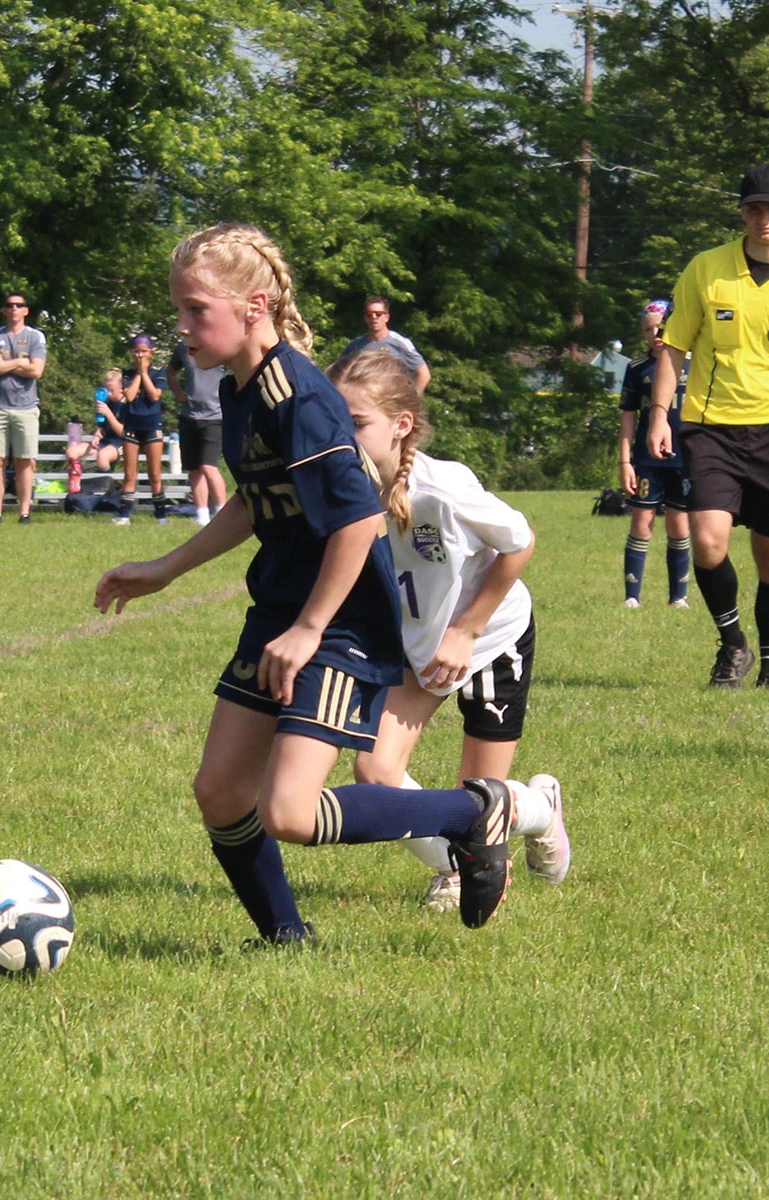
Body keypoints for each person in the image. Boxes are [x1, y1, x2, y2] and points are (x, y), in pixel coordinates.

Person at [93, 222, 522, 940]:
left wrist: (310, 628)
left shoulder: (302, 395)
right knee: (221, 791)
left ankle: (474, 814)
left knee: (290, 811)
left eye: (197, 309)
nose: (183, 326)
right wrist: (165, 569)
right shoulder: (239, 387)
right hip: (285, 609)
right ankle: (286, 939)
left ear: (254, 306)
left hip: (341, 619)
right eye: (179, 310)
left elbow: (356, 524)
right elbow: (255, 500)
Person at [328, 351, 569, 912]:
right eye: (339, 425)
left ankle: (539, 810)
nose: (347, 438)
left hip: (491, 641)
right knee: (375, 769)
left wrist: (466, 630)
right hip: (419, 649)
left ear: (401, 425)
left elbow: (520, 541)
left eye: (359, 424)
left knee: (480, 798)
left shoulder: (443, 488)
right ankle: (455, 867)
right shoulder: (348, 490)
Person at [645, 164, 769, 689]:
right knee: (708, 542)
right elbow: (675, 348)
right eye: (754, 208)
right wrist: (659, 414)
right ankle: (733, 645)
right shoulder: (706, 270)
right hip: (711, 428)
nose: (764, 218)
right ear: (742, 212)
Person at [618, 299, 691, 609]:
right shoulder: (636, 369)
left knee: (679, 524)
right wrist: (625, 462)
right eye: (648, 329)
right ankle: (632, 597)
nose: (655, 333)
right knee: (642, 521)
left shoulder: (695, 361)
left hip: (685, 458)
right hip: (648, 459)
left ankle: (679, 597)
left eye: (660, 327)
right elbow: (628, 417)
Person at [0, 292, 47, 524]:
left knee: (24, 460)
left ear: (26, 310)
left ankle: (25, 512)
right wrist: (20, 362)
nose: (15, 309)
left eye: (19, 305)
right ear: (4, 310)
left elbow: (37, 371)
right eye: (10, 305)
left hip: (26, 406)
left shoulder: (35, 337)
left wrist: (4, 364)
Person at [171, 340, 227, 527]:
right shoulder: (183, 347)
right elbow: (170, 371)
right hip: (189, 415)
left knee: (208, 467)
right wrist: (177, 391)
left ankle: (221, 511)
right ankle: (202, 515)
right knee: (194, 469)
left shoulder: (219, 345)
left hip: (214, 416)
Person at [117, 334, 171, 521]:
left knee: (154, 473)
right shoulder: (127, 373)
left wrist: (145, 373)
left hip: (152, 426)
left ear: (151, 352)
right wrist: (138, 373)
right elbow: (130, 396)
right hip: (131, 426)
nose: (140, 355)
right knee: (130, 473)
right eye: (137, 351)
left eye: (144, 351)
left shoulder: (159, 372)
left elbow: (154, 395)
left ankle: (160, 515)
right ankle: (124, 515)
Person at [338, 295, 431, 396]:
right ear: (365, 318)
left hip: (390, 403)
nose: (373, 317)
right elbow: (338, 373)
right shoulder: (355, 346)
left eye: (378, 314)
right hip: (364, 403)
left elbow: (423, 374)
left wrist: (412, 401)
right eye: (369, 314)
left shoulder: (399, 343)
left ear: (387, 317)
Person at [64, 371, 126, 475]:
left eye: (112, 390)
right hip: (105, 441)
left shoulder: (127, 405)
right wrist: (97, 435)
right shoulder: (106, 402)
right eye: (107, 390)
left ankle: (108, 484)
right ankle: (78, 483)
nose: (109, 394)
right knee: (72, 453)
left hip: (122, 443)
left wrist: (108, 413)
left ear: (121, 389)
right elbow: (101, 425)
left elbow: (123, 432)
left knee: (103, 457)